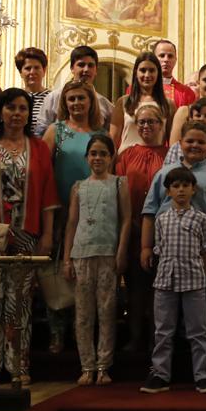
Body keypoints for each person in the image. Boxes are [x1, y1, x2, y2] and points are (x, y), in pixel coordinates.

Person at [0, 88, 60, 384]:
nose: (16, 114)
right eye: (11, 108)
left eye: (22, 109)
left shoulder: (39, 148)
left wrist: (47, 235)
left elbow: (47, 192)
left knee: (20, 304)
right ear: (0, 112)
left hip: (26, 234)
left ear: (29, 114)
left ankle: (18, 365)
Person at [141, 121, 206, 350]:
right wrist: (146, 247)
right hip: (167, 253)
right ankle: (165, 364)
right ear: (180, 143)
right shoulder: (164, 174)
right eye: (190, 141)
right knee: (166, 310)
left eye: (200, 142)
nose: (194, 145)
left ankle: (205, 363)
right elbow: (149, 212)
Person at [139, 167, 206, 394]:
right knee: (163, 331)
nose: (181, 190)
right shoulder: (161, 220)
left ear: (193, 189)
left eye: (185, 186)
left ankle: (202, 375)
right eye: (175, 186)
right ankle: (160, 374)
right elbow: (159, 249)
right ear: (169, 191)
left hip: (194, 281)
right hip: (165, 281)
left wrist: (202, 275)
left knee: (198, 331)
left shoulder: (201, 219)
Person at [43, 81, 105, 354]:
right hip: (61, 209)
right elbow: (44, 173)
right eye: (71, 99)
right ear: (64, 103)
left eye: (81, 98)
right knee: (59, 270)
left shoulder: (100, 134)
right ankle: (57, 332)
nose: (77, 103)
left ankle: (85, 333)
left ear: (91, 101)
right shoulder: (56, 131)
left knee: (87, 272)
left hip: (93, 211)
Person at [63, 134, 130, 387]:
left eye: (103, 153)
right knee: (83, 313)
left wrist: (121, 251)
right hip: (81, 253)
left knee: (106, 310)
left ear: (111, 157)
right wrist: (66, 258)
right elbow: (71, 223)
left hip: (108, 253)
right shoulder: (78, 187)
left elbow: (125, 220)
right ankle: (87, 366)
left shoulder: (118, 184)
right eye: (94, 153)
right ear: (87, 157)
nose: (98, 158)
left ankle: (103, 365)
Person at [114, 104, 169, 352]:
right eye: (142, 122)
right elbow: (119, 193)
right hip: (134, 229)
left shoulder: (171, 154)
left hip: (164, 234)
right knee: (136, 290)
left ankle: (158, 341)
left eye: (151, 122)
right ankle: (136, 338)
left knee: (161, 292)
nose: (146, 126)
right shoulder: (126, 156)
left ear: (161, 124)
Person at [35, 46, 114, 137]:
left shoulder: (105, 104)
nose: (86, 69)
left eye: (90, 65)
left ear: (96, 70)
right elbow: (40, 131)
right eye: (81, 65)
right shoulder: (54, 97)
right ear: (72, 68)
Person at [111, 51, 174, 152]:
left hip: (156, 161)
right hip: (126, 162)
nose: (147, 75)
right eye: (143, 70)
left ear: (158, 73)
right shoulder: (123, 102)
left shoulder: (168, 104)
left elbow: (172, 143)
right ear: (136, 72)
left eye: (152, 70)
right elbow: (112, 142)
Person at [152, 39, 196, 109]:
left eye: (170, 56)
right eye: (162, 55)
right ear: (153, 59)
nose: (166, 59)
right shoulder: (138, 89)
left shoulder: (187, 93)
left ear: (175, 60)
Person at [15, 47, 51, 128]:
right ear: (20, 72)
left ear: (44, 70)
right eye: (28, 68)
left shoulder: (52, 97)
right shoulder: (15, 97)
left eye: (36, 68)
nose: (32, 72)